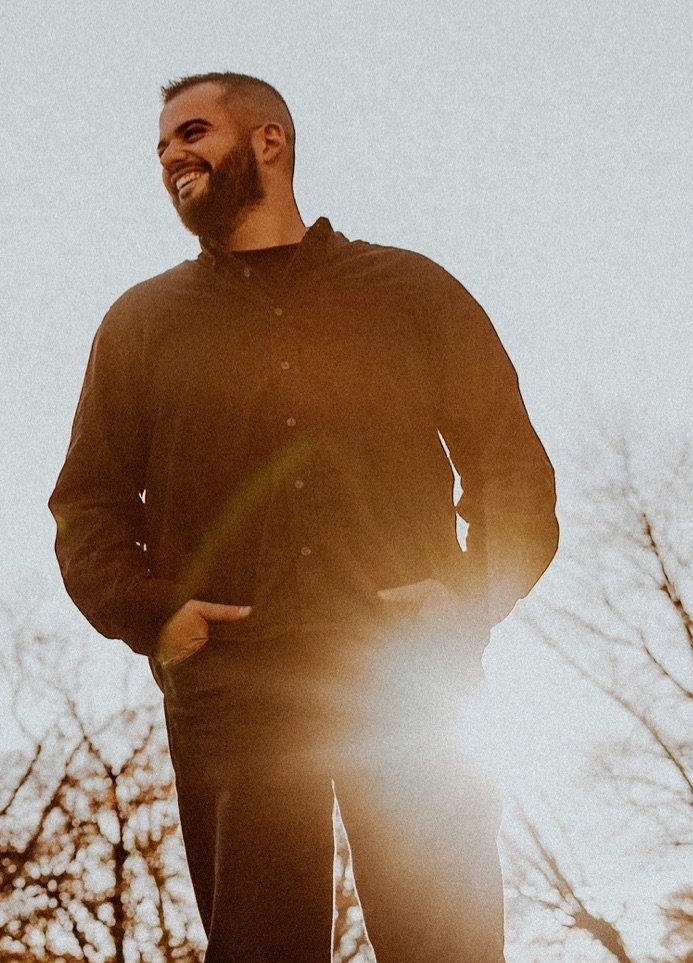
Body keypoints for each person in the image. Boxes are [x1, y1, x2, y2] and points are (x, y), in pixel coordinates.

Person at [49, 74, 557, 963]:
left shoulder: (410, 289)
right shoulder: (141, 324)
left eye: (193, 132)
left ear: (270, 142)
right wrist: (155, 616)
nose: (172, 155)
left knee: (449, 946)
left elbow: (512, 467)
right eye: (162, 145)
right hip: (233, 689)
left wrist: (471, 598)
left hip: (407, 675)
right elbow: (87, 504)